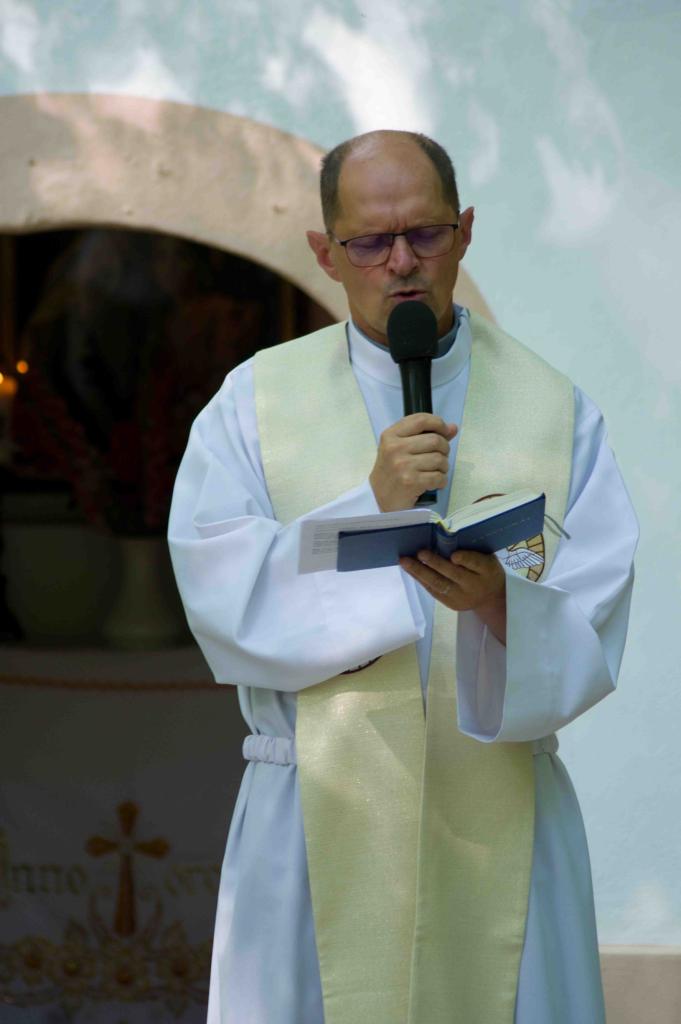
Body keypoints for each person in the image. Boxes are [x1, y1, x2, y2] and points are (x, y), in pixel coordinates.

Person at [168, 130, 638, 1024]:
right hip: (314, 814)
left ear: (465, 233)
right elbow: (221, 597)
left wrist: (501, 606)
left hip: (501, 809)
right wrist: (372, 504)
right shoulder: (252, 405)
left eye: (424, 234)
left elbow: (594, 612)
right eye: (370, 242)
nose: (400, 262)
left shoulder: (555, 410)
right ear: (324, 252)